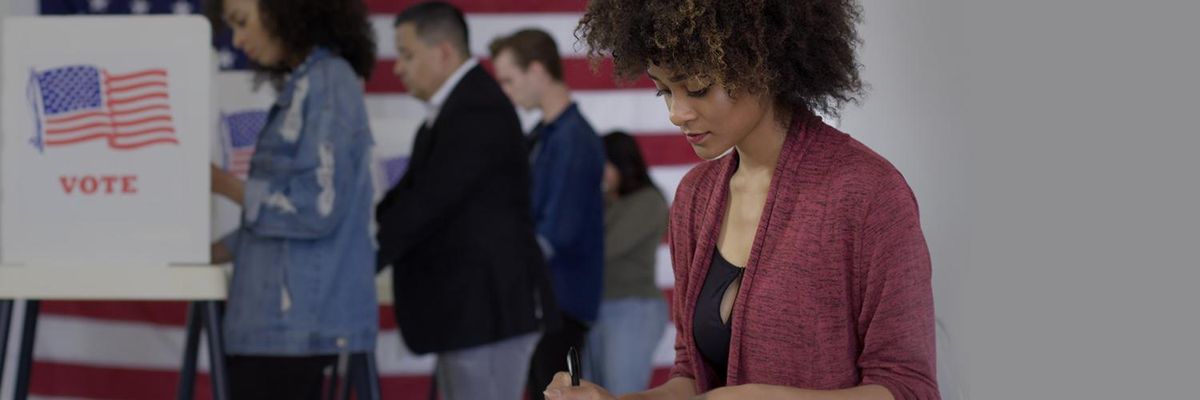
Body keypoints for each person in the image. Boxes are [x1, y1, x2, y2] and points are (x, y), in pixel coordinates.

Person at [546, 0, 940, 399]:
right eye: (664, 90)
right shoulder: (695, 197)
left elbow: (909, 388)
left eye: (697, 87)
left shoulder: (867, 192)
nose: (676, 113)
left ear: (760, 65)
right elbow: (691, 377)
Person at [374, 2, 557, 400]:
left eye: (406, 55)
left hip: (487, 315)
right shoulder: (454, 110)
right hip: (467, 316)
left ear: (442, 52)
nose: (398, 68)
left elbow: (425, 204)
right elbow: (405, 199)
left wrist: (360, 260)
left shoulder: (476, 108)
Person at [205, 0, 378, 398]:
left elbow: (316, 206)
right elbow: (277, 227)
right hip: (275, 326)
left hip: (295, 329)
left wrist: (220, 183)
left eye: (243, 22)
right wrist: (216, 250)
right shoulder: (307, 83)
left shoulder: (329, 82)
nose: (238, 39)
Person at [488, 29, 606, 400]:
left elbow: (559, 232)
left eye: (509, 79)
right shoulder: (544, 135)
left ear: (537, 70)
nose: (505, 90)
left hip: (558, 303)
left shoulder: (573, 138)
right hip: (542, 299)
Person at [585, 131, 670, 395]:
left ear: (622, 163)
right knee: (590, 392)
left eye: (603, 163)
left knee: (623, 394)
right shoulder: (601, 202)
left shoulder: (648, 201)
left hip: (632, 308)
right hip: (594, 308)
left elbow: (603, 248)